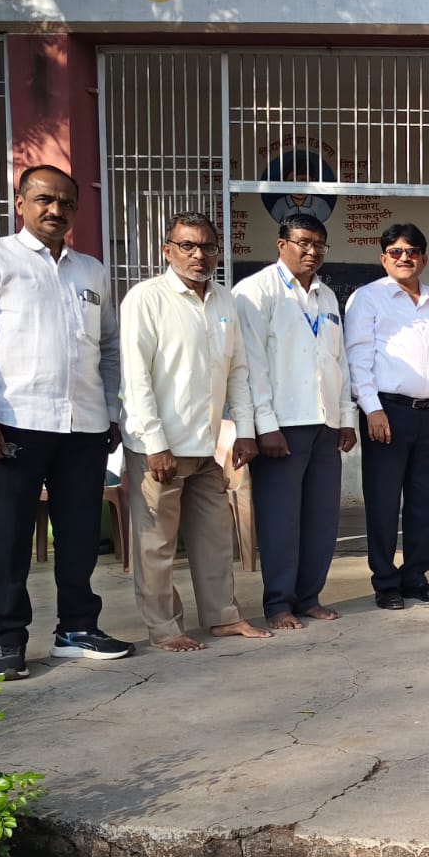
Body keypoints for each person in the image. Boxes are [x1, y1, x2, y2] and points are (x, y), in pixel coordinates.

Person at [0, 165, 135, 679]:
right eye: (44, 199)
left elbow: (109, 347)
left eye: (66, 202)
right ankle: (9, 639)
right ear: (20, 203)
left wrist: (109, 411)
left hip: (84, 427)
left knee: (79, 535)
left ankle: (76, 629)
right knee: (10, 538)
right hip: (14, 424)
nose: (56, 210)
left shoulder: (91, 271)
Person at [120, 213, 271, 652]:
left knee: (214, 537)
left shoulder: (224, 301)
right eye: (187, 245)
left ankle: (223, 617)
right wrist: (155, 443)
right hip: (159, 447)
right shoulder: (147, 298)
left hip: (207, 444)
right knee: (157, 545)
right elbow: (136, 378)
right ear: (167, 250)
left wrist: (245, 431)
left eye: (207, 247)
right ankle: (165, 629)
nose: (198, 255)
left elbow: (237, 370)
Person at [235, 213, 358, 629]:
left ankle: (309, 597)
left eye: (319, 244)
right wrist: (264, 425)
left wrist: (346, 417)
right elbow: (250, 365)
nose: (312, 251)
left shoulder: (327, 296)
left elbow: (338, 361)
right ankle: (278, 604)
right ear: (281, 244)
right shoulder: (255, 292)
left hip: (324, 422)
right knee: (280, 520)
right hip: (282, 426)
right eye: (303, 242)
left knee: (322, 519)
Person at [344, 224, 429, 610]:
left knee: (426, 500)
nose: (404, 257)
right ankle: (385, 581)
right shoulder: (367, 298)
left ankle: (416, 577)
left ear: (424, 258)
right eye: (395, 251)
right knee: (384, 500)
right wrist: (371, 408)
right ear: (383, 258)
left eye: (412, 251)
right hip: (387, 412)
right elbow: (358, 358)